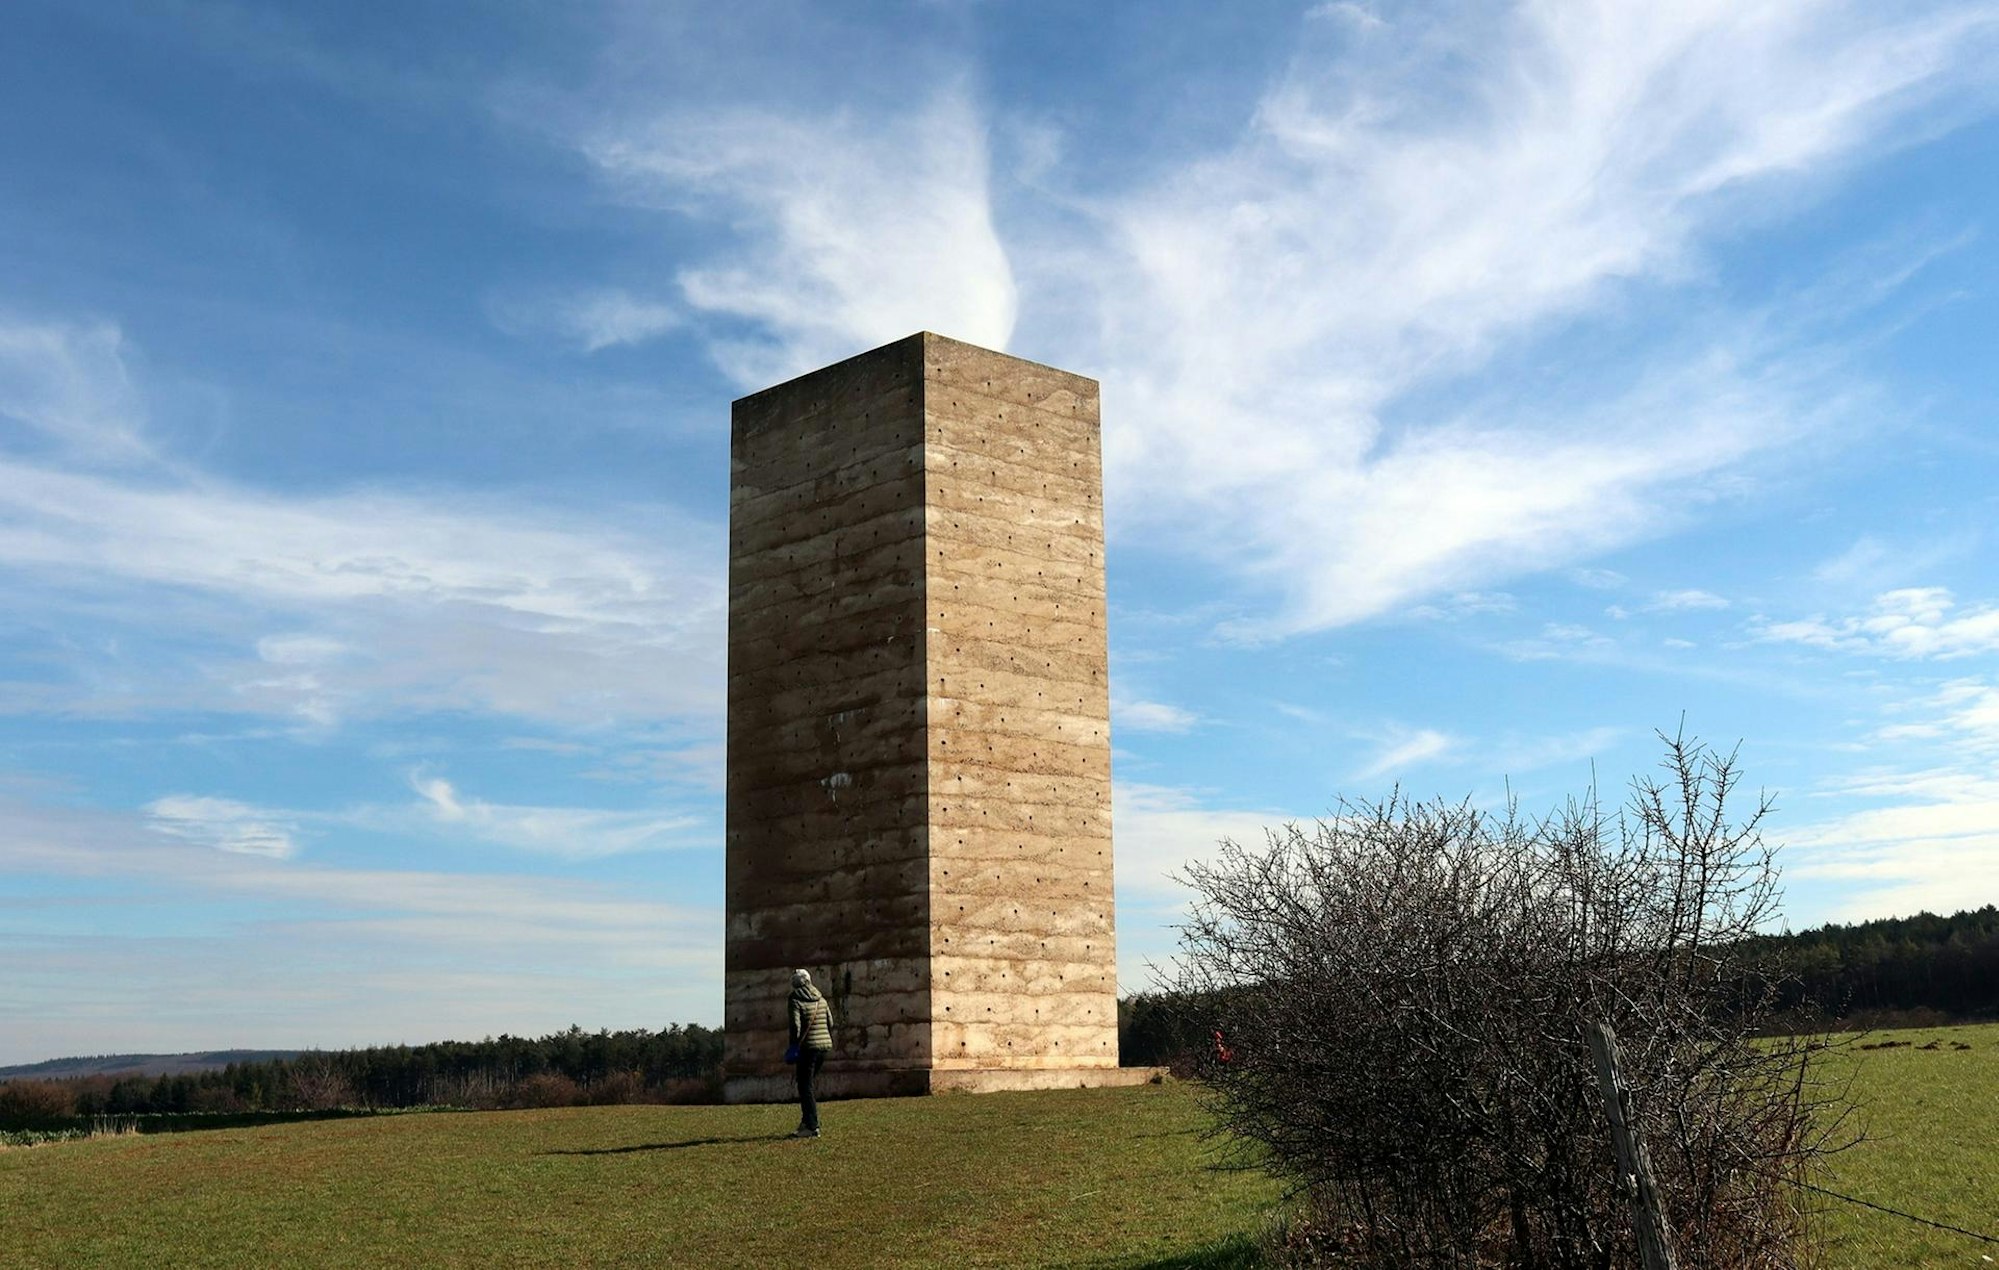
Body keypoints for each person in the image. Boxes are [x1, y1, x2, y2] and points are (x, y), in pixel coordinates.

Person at [787, 968, 834, 1138]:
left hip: (808, 1048)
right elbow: (830, 1022)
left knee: (805, 1086)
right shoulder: (821, 999)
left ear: (794, 984)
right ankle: (806, 1122)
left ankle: (812, 1126)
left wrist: (794, 1046)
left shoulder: (795, 999)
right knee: (807, 1084)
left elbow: (795, 1026)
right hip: (824, 1046)